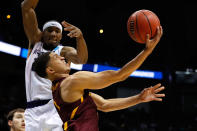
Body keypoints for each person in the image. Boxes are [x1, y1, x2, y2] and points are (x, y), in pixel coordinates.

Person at [32, 26, 164, 131]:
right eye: (57, 57)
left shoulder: (62, 89)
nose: (62, 57)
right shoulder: (72, 81)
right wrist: (147, 51)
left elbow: (104, 105)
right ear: (50, 70)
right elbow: (120, 75)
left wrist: (139, 98)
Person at [21, 0, 88, 130]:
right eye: (49, 30)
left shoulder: (63, 51)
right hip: (32, 110)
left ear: (61, 36)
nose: (53, 34)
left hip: (55, 108)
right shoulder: (35, 43)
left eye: (57, 31)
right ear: (42, 33)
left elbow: (81, 59)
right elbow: (26, 7)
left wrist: (80, 38)